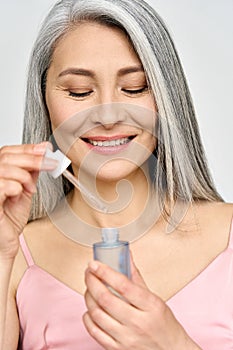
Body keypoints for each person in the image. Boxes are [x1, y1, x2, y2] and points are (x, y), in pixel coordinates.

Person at [0, 0, 232, 349]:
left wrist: (171, 343)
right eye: (80, 92)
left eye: (135, 87)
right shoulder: (16, 256)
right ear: (44, 100)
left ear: (166, 99)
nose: (108, 115)